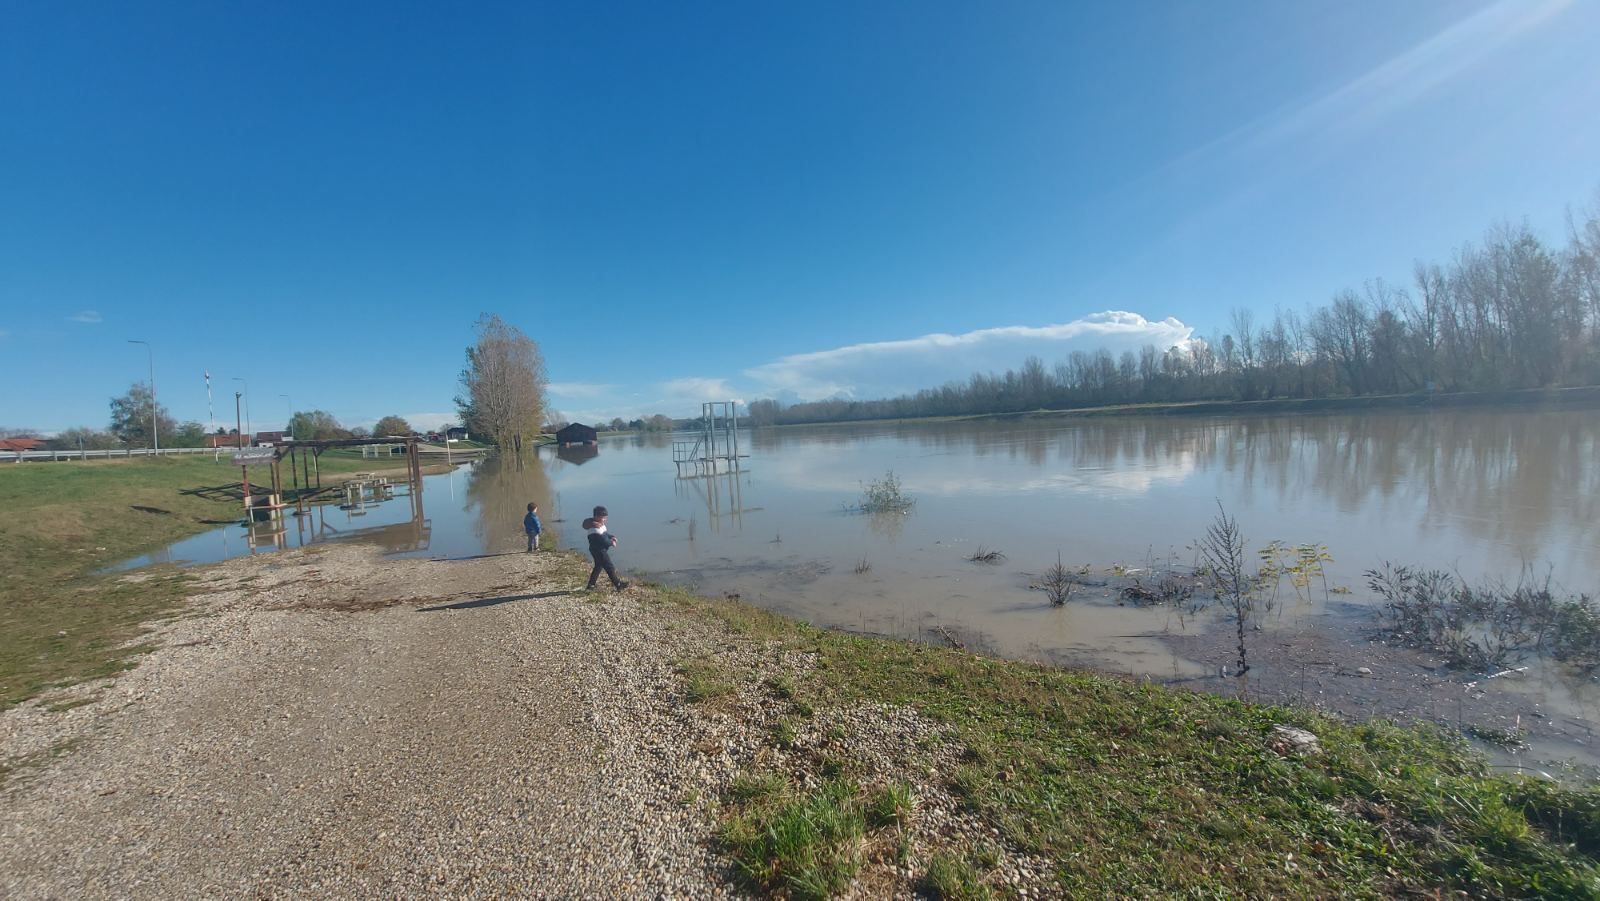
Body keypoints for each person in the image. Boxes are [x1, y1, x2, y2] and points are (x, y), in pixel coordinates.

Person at [582, 505, 629, 591]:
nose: (605, 520)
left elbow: (605, 534)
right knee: (609, 567)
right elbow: (604, 541)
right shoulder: (594, 530)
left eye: (606, 518)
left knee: (598, 567)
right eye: (603, 518)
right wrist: (612, 543)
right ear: (596, 517)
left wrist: (612, 536)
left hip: (596, 550)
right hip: (599, 551)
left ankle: (591, 586)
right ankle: (618, 585)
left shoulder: (600, 526)